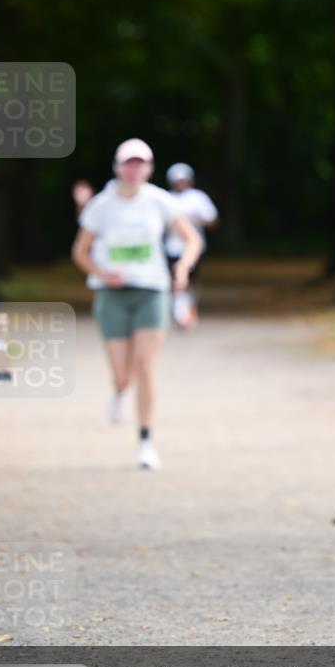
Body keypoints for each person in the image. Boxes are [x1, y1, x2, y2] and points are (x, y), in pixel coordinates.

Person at [72, 139, 202, 469]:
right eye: (128, 163)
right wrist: (103, 273)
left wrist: (183, 267)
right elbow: (80, 253)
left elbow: (193, 239)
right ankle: (118, 391)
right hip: (112, 294)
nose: (133, 169)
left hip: (152, 291)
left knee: (145, 367)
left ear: (149, 167)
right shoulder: (101, 206)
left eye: (140, 163)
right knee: (122, 375)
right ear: (117, 167)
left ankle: (145, 441)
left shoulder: (160, 201)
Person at [164, 163, 218, 328]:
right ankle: (180, 312)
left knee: (190, 280)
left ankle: (187, 308)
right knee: (176, 279)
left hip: (194, 248)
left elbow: (212, 221)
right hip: (172, 247)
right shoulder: (166, 198)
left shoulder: (198, 198)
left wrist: (199, 217)